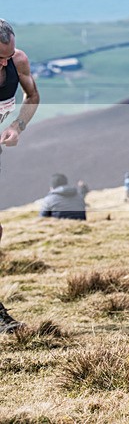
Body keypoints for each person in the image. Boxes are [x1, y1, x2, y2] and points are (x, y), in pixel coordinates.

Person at [0, 18, 41, 334]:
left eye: (7, 55)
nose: (4, 61)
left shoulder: (19, 61)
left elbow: (32, 98)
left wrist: (17, 127)